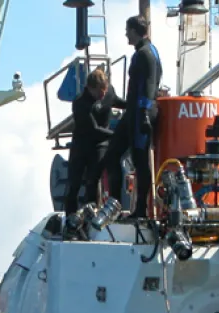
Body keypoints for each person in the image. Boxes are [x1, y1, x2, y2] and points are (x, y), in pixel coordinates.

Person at [97, 15, 162, 219]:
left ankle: (141, 208)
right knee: (112, 156)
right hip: (133, 113)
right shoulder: (146, 51)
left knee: (140, 161)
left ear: (135, 31)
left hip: (140, 114)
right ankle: (115, 207)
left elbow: (151, 85)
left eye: (128, 30)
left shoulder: (146, 53)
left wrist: (143, 113)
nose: (126, 34)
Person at [65, 68, 126, 215]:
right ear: (90, 89)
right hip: (83, 143)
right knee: (74, 183)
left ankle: (92, 212)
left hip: (99, 145)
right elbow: (93, 129)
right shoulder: (80, 103)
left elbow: (116, 101)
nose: (103, 94)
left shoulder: (108, 91)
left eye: (104, 90)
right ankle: (70, 217)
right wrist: (116, 135)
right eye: (99, 92)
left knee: (93, 179)